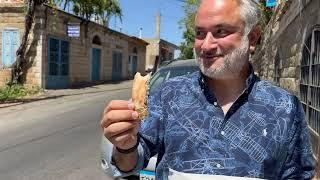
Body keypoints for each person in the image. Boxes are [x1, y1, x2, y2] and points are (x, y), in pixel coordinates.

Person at [100, 0, 316, 179]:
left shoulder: (285, 107)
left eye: (221, 31)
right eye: (200, 33)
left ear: (253, 38)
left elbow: (298, 175)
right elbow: (131, 165)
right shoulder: (169, 94)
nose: (206, 45)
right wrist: (126, 146)